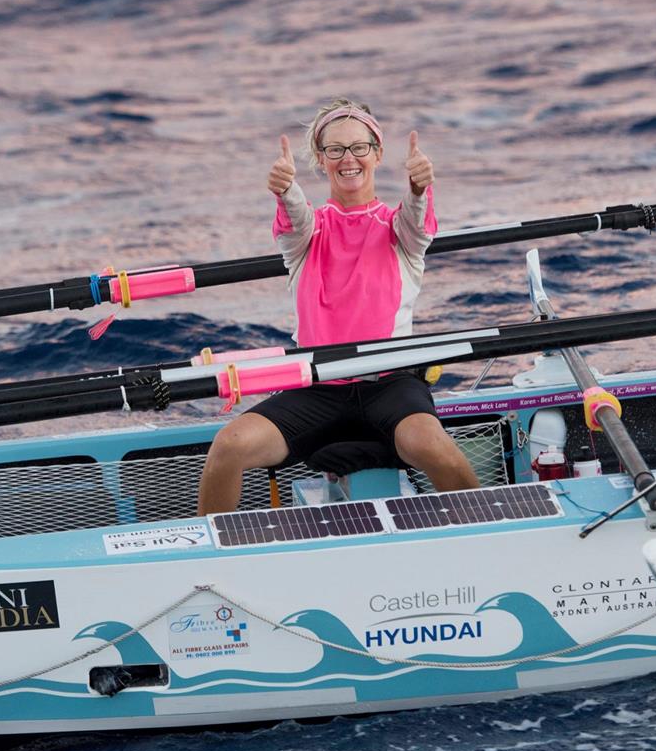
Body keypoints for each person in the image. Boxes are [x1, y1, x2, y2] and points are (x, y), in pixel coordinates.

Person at [197, 98, 479, 515]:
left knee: (437, 448)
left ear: (377, 154)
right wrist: (285, 189)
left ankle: (483, 536)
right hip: (317, 387)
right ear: (321, 160)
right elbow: (295, 216)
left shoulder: (399, 229)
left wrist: (419, 188)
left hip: (390, 384)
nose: (348, 159)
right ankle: (208, 567)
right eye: (335, 150)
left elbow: (417, 221)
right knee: (228, 446)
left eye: (359, 147)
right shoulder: (307, 236)